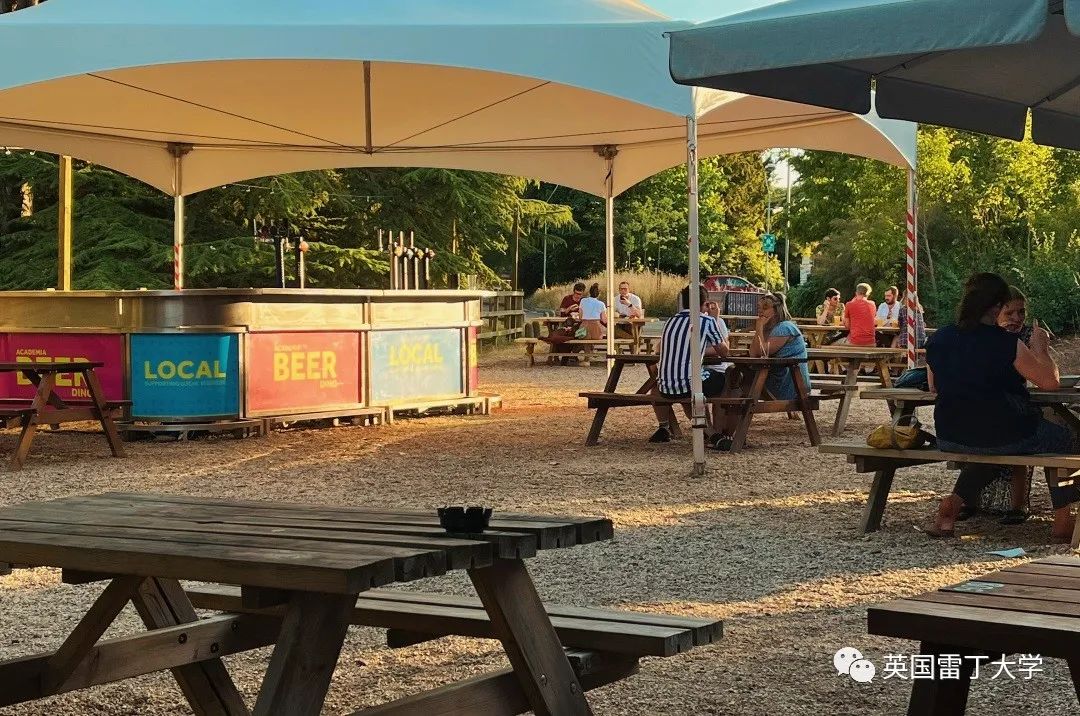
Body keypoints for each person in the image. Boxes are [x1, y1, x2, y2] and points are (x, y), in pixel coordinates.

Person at [925, 272, 1076, 541]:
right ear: (996, 307)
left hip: (950, 435)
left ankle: (952, 507)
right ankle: (1063, 520)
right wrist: (1041, 349)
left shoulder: (940, 338)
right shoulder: (1006, 343)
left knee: (992, 449)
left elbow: (933, 386)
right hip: (1004, 432)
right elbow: (1050, 383)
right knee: (1068, 439)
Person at [711, 292, 808, 451]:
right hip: (774, 378)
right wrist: (759, 329)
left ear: (776, 310)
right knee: (731, 376)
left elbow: (763, 353)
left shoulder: (785, 328)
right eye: (759, 307)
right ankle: (721, 434)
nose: (760, 311)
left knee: (740, 386)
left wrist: (759, 327)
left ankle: (731, 435)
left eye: (765, 307)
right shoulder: (770, 329)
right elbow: (754, 354)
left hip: (790, 384)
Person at [649, 285, 729, 444]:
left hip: (665, 386)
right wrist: (715, 318)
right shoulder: (706, 321)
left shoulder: (670, 321)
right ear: (705, 303)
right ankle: (717, 431)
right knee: (727, 382)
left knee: (679, 387)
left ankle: (666, 427)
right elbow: (724, 352)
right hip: (689, 385)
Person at [842, 282, 877, 347]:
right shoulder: (872, 304)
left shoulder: (849, 304)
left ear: (856, 293)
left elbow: (847, 326)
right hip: (871, 343)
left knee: (833, 344)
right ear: (868, 294)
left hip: (855, 342)